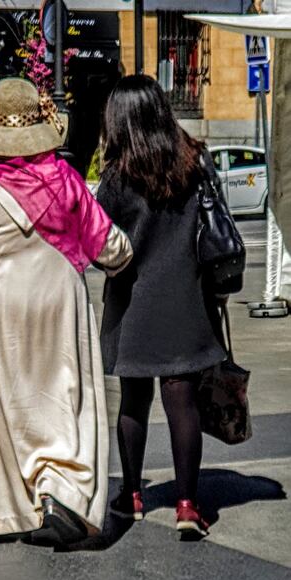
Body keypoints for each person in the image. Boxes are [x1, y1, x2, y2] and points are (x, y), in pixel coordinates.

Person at [0, 78, 132, 544]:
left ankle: (13, 510)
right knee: (64, 401)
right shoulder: (65, 179)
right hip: (58, 303)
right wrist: (127, 261)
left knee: (6, 406)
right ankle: (60, 492)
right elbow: (110, 246)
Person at [97, 74, 241, 537]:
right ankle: (186, 505)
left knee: (133, 401)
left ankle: (133, 494)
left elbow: (101, 242)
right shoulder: (193, 161)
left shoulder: (117, 175)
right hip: (184, 300)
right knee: (182, 403)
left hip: (132, 302)